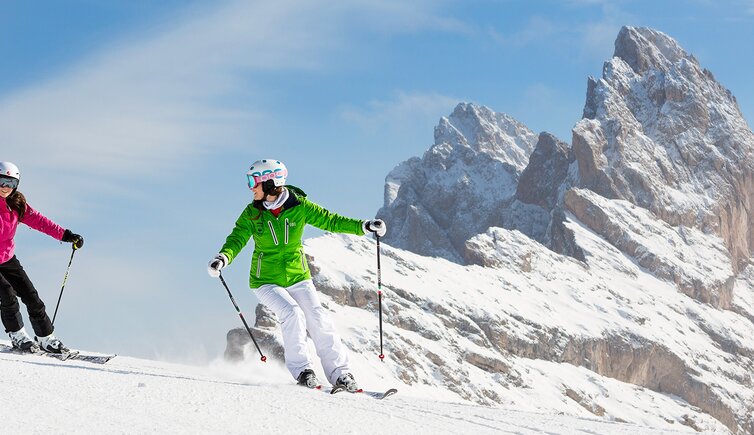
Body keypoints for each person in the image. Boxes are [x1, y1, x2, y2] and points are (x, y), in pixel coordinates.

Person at [207, 159, 386, 391]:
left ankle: (341, 374)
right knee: (291, 313)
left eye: (253, 181)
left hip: (297, 276)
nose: (250, 187)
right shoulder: (252, 213)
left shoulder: (300, 207)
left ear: (270, 183)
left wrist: (364, 226)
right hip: (265, 280)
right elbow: (237, 238)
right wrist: (223, 257)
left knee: (318, 318)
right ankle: (303, 370)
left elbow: (331, 220)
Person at [0, 161, 84, 354]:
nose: (6, 188)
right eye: (2, 181)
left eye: (11, 183)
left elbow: (40, 221)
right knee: (6, 294)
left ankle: (46, 338)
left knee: (31, 296)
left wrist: (66, 235)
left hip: (7, 258)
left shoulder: (17, 204)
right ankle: (17, 335)